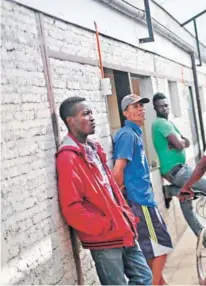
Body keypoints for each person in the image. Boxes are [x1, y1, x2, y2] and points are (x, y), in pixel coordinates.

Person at [56, 96, 152, 285]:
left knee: (144, 277)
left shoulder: (92, 148)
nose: (92, 117)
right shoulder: (68, 157)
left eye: (91, 112)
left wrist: (125, 217)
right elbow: (71, 207)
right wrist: (105, 226)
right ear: (70, 121)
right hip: (104, 237)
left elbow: (112, 189)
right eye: (85, 114)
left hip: (122, 229)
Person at [112, 94, 172, 285]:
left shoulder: (134, 133)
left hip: (142, 201)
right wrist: (121, 199)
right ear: (125, 113)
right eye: (135, 106)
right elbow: (118, 170)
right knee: (162, 248)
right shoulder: (128, 135)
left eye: (141, 105)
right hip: (141, 202)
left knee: (151, 253)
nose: (140, 109)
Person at [151, 93, 206, 237]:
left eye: (166, 105)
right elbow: (179, 143)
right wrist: (179, 143)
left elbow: (186, 142)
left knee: (186, 199)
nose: (164, 108)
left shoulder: (168, 123)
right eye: (161, 106)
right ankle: (170, 191)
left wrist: (181, 143)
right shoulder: (160, 123)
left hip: (178, 170)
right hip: (176, 171)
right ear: (155, 108)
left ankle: (201, 237)